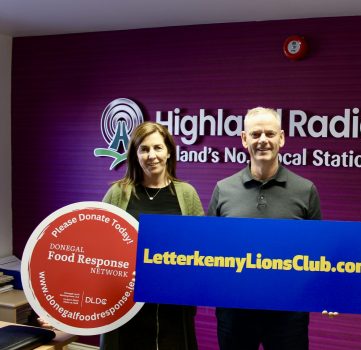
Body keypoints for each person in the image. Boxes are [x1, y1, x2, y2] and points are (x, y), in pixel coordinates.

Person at [207, 107, 321, 350]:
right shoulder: (223, 189)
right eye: (255, 134)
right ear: (244, 139)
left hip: (288, 313)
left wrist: (331, 292)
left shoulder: (305, 190)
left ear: (281, 137)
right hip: (234, 311)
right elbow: (208, 250)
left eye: (269, 134)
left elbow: (317, 252)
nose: (263, 141)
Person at [100, 121, 204, 350]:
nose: (152, 155)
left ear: (168, 152)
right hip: (126, 301)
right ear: (135, 155)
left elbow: (201, 249)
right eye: (144, 149)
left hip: (173, 304)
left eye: (158, 148)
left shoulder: (187, 194)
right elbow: (99, 247)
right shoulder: (118, 193)